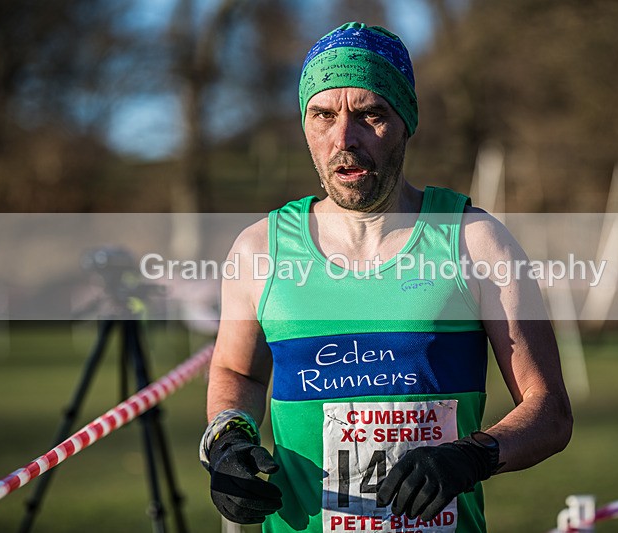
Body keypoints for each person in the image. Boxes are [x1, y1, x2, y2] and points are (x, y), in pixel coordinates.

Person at [200, 22, 573, 532]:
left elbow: (549, 411)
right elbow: (237, 374)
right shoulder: (260, 248)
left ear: (405, 121)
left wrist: (469, 456)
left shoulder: (474, 240)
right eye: (323, 116)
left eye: (370, 114)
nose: (343, 139)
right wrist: (229, 438)